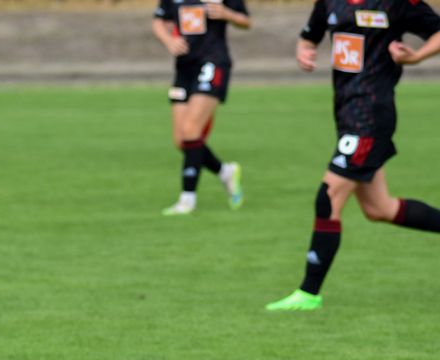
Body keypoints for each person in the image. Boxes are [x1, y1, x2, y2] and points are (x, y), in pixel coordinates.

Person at [265, 1, 440, 311]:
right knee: (379, 208)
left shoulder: (396, 3)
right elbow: (309, 37)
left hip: (370, 115)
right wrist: (304, 51)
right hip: (346, 112)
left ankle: (309, 293)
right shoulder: (330, 2)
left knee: (328, 196)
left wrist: (416, 57)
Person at [152, 0, 250, 215]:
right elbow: (159, 21)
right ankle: (225, 172)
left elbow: (246, 21)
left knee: (191, 131)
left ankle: (187, 200)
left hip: (213, 62)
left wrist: (227, 14)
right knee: (181, 140)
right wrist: (169, 40)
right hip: (184, 67)